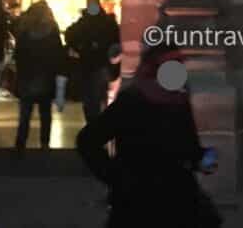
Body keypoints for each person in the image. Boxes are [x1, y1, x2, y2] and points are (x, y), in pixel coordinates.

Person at [77, 44, 219, 228]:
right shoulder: (131, 102)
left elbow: (188, 146)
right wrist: (115, 177)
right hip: (137, 198)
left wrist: (202, 158)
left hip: (177, 199)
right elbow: (88, 140)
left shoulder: (178, 101)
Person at [12, 1, 66, 153]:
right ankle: (44, 143)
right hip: (46, 77)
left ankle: (20, 143)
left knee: (25, 114)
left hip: (27, 77)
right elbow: (58, 56)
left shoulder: (24, 31)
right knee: (45, 113)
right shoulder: (52, 31)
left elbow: (19, 55)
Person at [65, 0, 121, 122]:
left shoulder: (84, 22)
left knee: (90, 99)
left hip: (87, 64)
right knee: (99, 97)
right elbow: (116, 41)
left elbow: (70, 35)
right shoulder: (107, 22)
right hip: (102, 64)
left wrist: (81, 48)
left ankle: (93, 124)